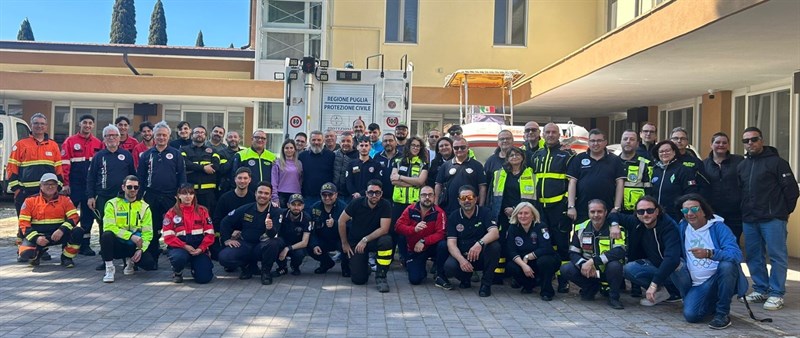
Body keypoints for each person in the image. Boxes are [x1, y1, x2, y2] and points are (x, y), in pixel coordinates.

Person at [738, 127, 798, 311]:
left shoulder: (778, 163)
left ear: (761, 140)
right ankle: (760, 289)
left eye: (754, 139)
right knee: (754, 256)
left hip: (773, 219)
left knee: (777, 256)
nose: (750, 143)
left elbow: (792, 190)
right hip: (750, 219)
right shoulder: (743, 165)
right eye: (746, 141)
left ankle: (776, 293)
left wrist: (783, 212)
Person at [672, 194, 745, 329]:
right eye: (685, 210)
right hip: (696, 284)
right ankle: (702, 301)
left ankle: (722, 313)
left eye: (694, 209)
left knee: (727, 266)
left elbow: (736, 255)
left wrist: (710, 253)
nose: (689, 213)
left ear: (704, 210)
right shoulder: (683, 227)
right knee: (691, 316)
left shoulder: (719, 228)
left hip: (717, 278)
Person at [610, 196, 681, 306]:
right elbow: (613, 214)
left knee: (691, 312)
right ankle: (662, 291)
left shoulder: (668, 226)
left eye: (650, 210)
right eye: (641, 211)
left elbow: (672, 259)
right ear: (637, 213)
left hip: (674, 269)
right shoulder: (636, 221)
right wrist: (614, 225)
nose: (645, 214)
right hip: (654, 264)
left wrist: (654, 283)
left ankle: (676, 291)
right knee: (627, 269)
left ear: (657, 211)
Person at [531, 122, 574, 293]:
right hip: (540, 208)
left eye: (553, 132)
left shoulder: (567, 155)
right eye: (547, 132)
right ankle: (546, 276)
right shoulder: (536, 156)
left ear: (559, 135)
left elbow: (572, 182)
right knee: (545, 242)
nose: (550, 135)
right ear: (542, 134)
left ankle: (563, 279)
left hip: (559, 207)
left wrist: (567, 203)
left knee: (562, 244)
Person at [561, 199, 627, 309]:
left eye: (599, 212)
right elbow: (573, 252)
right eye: (592, 212)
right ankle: (590, 287)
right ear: (588, 213)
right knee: (566, 269)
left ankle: (614, 297)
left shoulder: (616, 230)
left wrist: (593, 261)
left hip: (608, 270)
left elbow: (620, 251)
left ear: (606, 212)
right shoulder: (580, 228)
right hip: (589, 272)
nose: (596, 215)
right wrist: (582, 264)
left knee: (615, 265)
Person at [87, 124, 137, 268]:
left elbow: (133, 176)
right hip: (103, 197)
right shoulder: (98, 156)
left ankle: (125, 257)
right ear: (104, 139)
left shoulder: (126, 155)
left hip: (123, 198)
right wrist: (90, 196)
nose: (112, 138)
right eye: (108, 136)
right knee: (105, 228)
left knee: (126, 226)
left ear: (119, 137)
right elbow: (90, 178)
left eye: (114, 135)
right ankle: (106, 259)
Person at [137, 121, 187, 264]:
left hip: (170, 196)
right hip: (151, 196)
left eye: (164, 135)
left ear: (169, 136)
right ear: (153, 136)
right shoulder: (146, 155)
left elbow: (182, 175)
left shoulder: (176, 154)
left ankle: (176, 259)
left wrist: (181, 195)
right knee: (152, 228)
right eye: (158, 135)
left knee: (175, 227)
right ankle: (153, 258)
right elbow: (140, 177)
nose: (161, 138)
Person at [218, 182, 284, 285]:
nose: (263, 195)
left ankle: (265, 272)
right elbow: (225, 221)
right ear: (255, 194)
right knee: (224, 257)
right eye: (260, 192)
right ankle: (247, 266)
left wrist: (270, 228)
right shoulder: (246, 208)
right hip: (246, 244)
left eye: (266, 193)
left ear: (270, 196)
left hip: (262, 245)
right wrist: (227, 239)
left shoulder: (276, 212)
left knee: (273, 243)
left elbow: (273, 235)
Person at [441, 185, 501, 297]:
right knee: (450, 267)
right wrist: (461, 260)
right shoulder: (454, 216)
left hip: (481, 256)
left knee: (495, 246)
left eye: (470, 197)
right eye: (463, 198)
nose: (467, 201)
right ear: (459, 201)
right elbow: (451, 243)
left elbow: (495, 232)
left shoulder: (485, 212)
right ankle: (465, 279)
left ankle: (486, 284)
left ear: (476, 199)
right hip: (463, 256)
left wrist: (479, 244)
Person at [338, 179, 393, 292]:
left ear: (381, 193)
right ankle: (364, 267)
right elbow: (341, 221)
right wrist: (345, 243)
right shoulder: (356, 203)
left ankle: (381, 276)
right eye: (371, 192)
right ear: (366, 193)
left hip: (374, 240)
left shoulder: (386, 205)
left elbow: (384, 229)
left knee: (386, 241)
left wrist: (366, 239)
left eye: (377, 192)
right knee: (359, 280)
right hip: (356, 242)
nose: (374, 195)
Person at [490, 147, 535, 284]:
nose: (514, 157)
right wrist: (505, 209)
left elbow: (532, 196)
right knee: (502, 242)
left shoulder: (530, 173)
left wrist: (515, 209)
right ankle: (498, 274)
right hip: (503, 214)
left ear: (523, 157)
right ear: (507, 158)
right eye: (511, 155)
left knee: (519, 242)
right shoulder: (500, 174)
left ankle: (517, 275)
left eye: (517, 154)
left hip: (522, 214)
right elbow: (495, 196)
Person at [17, 173, 83, 268]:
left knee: (78, 232)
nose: (50, 186)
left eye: (53, 184)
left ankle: (66, 258)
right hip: (38, 235)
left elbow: (74, 217)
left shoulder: (65, 200)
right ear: (40, 186)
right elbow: (23, 223)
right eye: (47, 184)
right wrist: (36, 238)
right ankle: (37, 254)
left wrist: (62, 230)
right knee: (25, 254)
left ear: (57, 186)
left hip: (57, 234)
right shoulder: (30, 201)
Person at [60, 114, 103, 256]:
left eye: (90, 123)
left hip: (89, 186)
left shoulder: (98, 143)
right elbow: (64, 163)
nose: (88, 125)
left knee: (88, 216)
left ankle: (85, 245)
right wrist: (65, 184)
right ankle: (67, 244)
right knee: (70, 215)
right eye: (85, 122)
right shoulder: (70, 141)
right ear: (80, 124)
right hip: (74, 184)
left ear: (93, 125)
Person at [100, 175, 156, 283]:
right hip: (118, 243)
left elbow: (148, 232)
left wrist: (141, 249)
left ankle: (130, 261)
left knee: (149, 264)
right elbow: (109, 226)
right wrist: (130, 236)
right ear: (123, 187)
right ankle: (109, 269)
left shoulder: (145, 206)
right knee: (106, 235)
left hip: (134, 245)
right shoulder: (112, 204)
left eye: (136, 187)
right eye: (129, 187)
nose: (133, 190)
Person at [8, 113, 64, 215]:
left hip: (48, 192)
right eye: (36, 123)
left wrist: (58, 187)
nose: (39, 126)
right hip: (25, 192)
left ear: (46, 126)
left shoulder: (53, 145)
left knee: (45, 222)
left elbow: (59, 169)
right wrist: (17, 190)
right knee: (24, 225)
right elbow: (12, 167)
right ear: (31, 125)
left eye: (42, 124)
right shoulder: (21, 144)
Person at [567, 129, 625, 223]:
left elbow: (620, 184)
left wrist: (616, 208)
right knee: (582, 236)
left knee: (606, 237)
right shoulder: (579, 158)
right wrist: (571, 206)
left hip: (607, 210)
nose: (595, 143)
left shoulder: (615, 160)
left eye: (599, 140)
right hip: (582, 209)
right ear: (588, 142)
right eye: (593, 141)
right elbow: (572, 183)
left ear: (605, 142)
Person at [506, 202, 560, 300]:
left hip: (542, 259)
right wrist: (523, 265)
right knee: (511, 266)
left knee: (544, 261)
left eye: (526, 213)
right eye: (520, 213)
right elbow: (511, 251)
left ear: (533, 215)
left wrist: (528, 257)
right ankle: (528, 285)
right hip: (525, 263)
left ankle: (546, 291)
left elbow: (546, 247)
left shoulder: (541, 226)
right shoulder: (513, 228)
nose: (523, 216)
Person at [162, 184, 215, 284]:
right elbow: (168, 236)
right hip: (179, 248)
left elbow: (210, 234)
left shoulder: (202, 211)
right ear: (178, 196)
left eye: (191, 193)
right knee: (179, 258)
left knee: (204, 279)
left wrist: (201, 248)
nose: (188, 196)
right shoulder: (171, 213)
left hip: (198, 248)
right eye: (184, 193)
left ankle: (195, 268)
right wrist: (184, 246)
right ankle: (178, 272)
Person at [395, 186, 447, 286]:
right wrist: (413, 229)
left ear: (434, 197)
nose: (427, 197)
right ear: (419, 197)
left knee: (443, 245)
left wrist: (424, 241)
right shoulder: (410, 209)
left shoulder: (439, 212)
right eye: (424, 195)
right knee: (415, 280)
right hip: (415, 249)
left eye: (430, 195)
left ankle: (440, 273)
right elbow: (398, 227)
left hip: (431, 247)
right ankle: (418, 267)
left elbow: (441, 233)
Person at [390, 136, 429, 265]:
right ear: (408, 146)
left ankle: (407, 258)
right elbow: (393, 180)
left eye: (418, 146)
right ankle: (389, 258)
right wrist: (413, 183)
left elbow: (420, 181)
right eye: (413, 145)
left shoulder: (423, 163)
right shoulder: (398, 160)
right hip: (398, 202)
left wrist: (401, 177)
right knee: (394, 230)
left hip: (413, 203)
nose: (415, 148)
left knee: (410, 232)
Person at [702, 132, 744, 243]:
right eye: (717, 142)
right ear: (711, 145)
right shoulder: (703, 165)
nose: (721, 145)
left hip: (735, 212)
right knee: (715, 242)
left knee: (733, 241)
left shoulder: (739, 161)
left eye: (724, 142)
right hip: (713, 212)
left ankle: (733, 261)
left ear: (728, 145)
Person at [212, 167, 256, 261]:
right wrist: (228, 235)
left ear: (250, 180)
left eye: (245, 178)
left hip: (247, 237)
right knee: (226, 260)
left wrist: (242, 233)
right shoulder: (225, 198)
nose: (242, 181)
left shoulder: (254, 199)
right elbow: (217, 220)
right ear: (235, 179)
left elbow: (256, 221)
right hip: (229, 236)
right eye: (239, 178)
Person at [649, 140, 699, 221]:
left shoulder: (683, 170)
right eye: (661, 151)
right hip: (656, 216)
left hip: (676, 215)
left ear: (674, 152)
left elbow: (690, 193)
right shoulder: (655, 170)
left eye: (667, 150)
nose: (664, 153)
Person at [435, 138, 487, 215]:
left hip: (471, 209)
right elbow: (438, 185)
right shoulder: (445, 166)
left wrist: (481, 207)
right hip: (449, 209)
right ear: (453, 149)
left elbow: (482, 187)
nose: (459, 149)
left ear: (468, 148)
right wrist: (436, 205)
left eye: (462, 147)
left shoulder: (477, 165)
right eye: (456, 148)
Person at [308, 182, 350, 276]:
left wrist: (336, 224)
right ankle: (326, 263)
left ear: (336, 195)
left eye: (330, 194)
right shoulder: (314, 208)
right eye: (324, 195)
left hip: (340, 240)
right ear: (320, 195)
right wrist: (314, 244)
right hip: (323, 239)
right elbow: (310, 230)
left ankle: (346, 267)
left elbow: (350, 228)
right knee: (309, 245)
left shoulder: (344, 208)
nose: (327, 198)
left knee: (349, 246)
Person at [181, 125, 221, 211]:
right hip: (190, 192)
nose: (200, 134)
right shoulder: (183, 150)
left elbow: (216, 166)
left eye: (202, 133)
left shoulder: (213, 151)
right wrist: (203, 168)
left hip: (208, 193)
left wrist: (193, 167)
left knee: (207, 218)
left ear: (206, 136)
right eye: (197, 132)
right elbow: (184, 164)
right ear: (192, 135)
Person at [272, 194, 311, 276]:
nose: (296, 208)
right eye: (293, 204)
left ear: (303, 206)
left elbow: (304, 242)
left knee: (299, 254)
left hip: (297, 245)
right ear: (288, 205)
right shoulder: (281, 214)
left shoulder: (307, 218)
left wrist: (287, 249)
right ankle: (282, 268)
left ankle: (295, 267)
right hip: (283, 242)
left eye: (299, 205)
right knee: (274, 244)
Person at [298, 130, 335, 211]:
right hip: (307, 197)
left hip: (326, 197)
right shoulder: (302, 156)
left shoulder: (331, 156)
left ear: (323, 141)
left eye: (319, 140)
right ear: (310, 141)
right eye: (314, 140)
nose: (316, 142)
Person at [618, 130, 652, 214]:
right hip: (614, 210)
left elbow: (650, 191)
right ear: (621, 142)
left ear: (637, 144)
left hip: (637, 213)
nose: (628, 141)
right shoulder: (612, 162)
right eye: (625, 139)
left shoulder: (645, 164)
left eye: (632, 139)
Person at [670, 127, 711, 196]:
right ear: (670, 141)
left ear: (687, 142)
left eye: (683, 138)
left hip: (689, 202)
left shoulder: (696, 162)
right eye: (676, 138)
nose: (679, 141)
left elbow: (704, 184)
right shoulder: (665, 161)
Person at [484, 130, 515, 205]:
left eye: (508, 138)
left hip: (517, 205)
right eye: (502, 139)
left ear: (513, 140)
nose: (505, 141)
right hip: (497, 206)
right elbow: (486, 185)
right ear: (498, 142)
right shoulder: (490, 161)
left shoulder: (520, 158)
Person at [272, 139, 302, 207]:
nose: (289, 150)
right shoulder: (277, 163)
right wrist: (275, 197)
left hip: (296, 194)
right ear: (283, 149)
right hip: (282, 195)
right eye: (286, 148)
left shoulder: (299, 163)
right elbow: (274, 182)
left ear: (294, 149)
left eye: (291, 148)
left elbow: (301, 180)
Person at [332, 131, 358, 199]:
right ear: (339, 143)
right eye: (343, 141)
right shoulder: (333, 155)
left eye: (348, 141)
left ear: (352, 143)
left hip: (350, 195)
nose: (345, 143)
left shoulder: (358, 156)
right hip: (334, 194)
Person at [375, 133, 399, 202]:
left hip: (397, 197)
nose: (388, 143)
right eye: (385, 141)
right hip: (380, 197)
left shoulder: (402, 157)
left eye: (391, 140)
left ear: (396, 143)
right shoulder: (377, 157)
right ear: (382, 143)